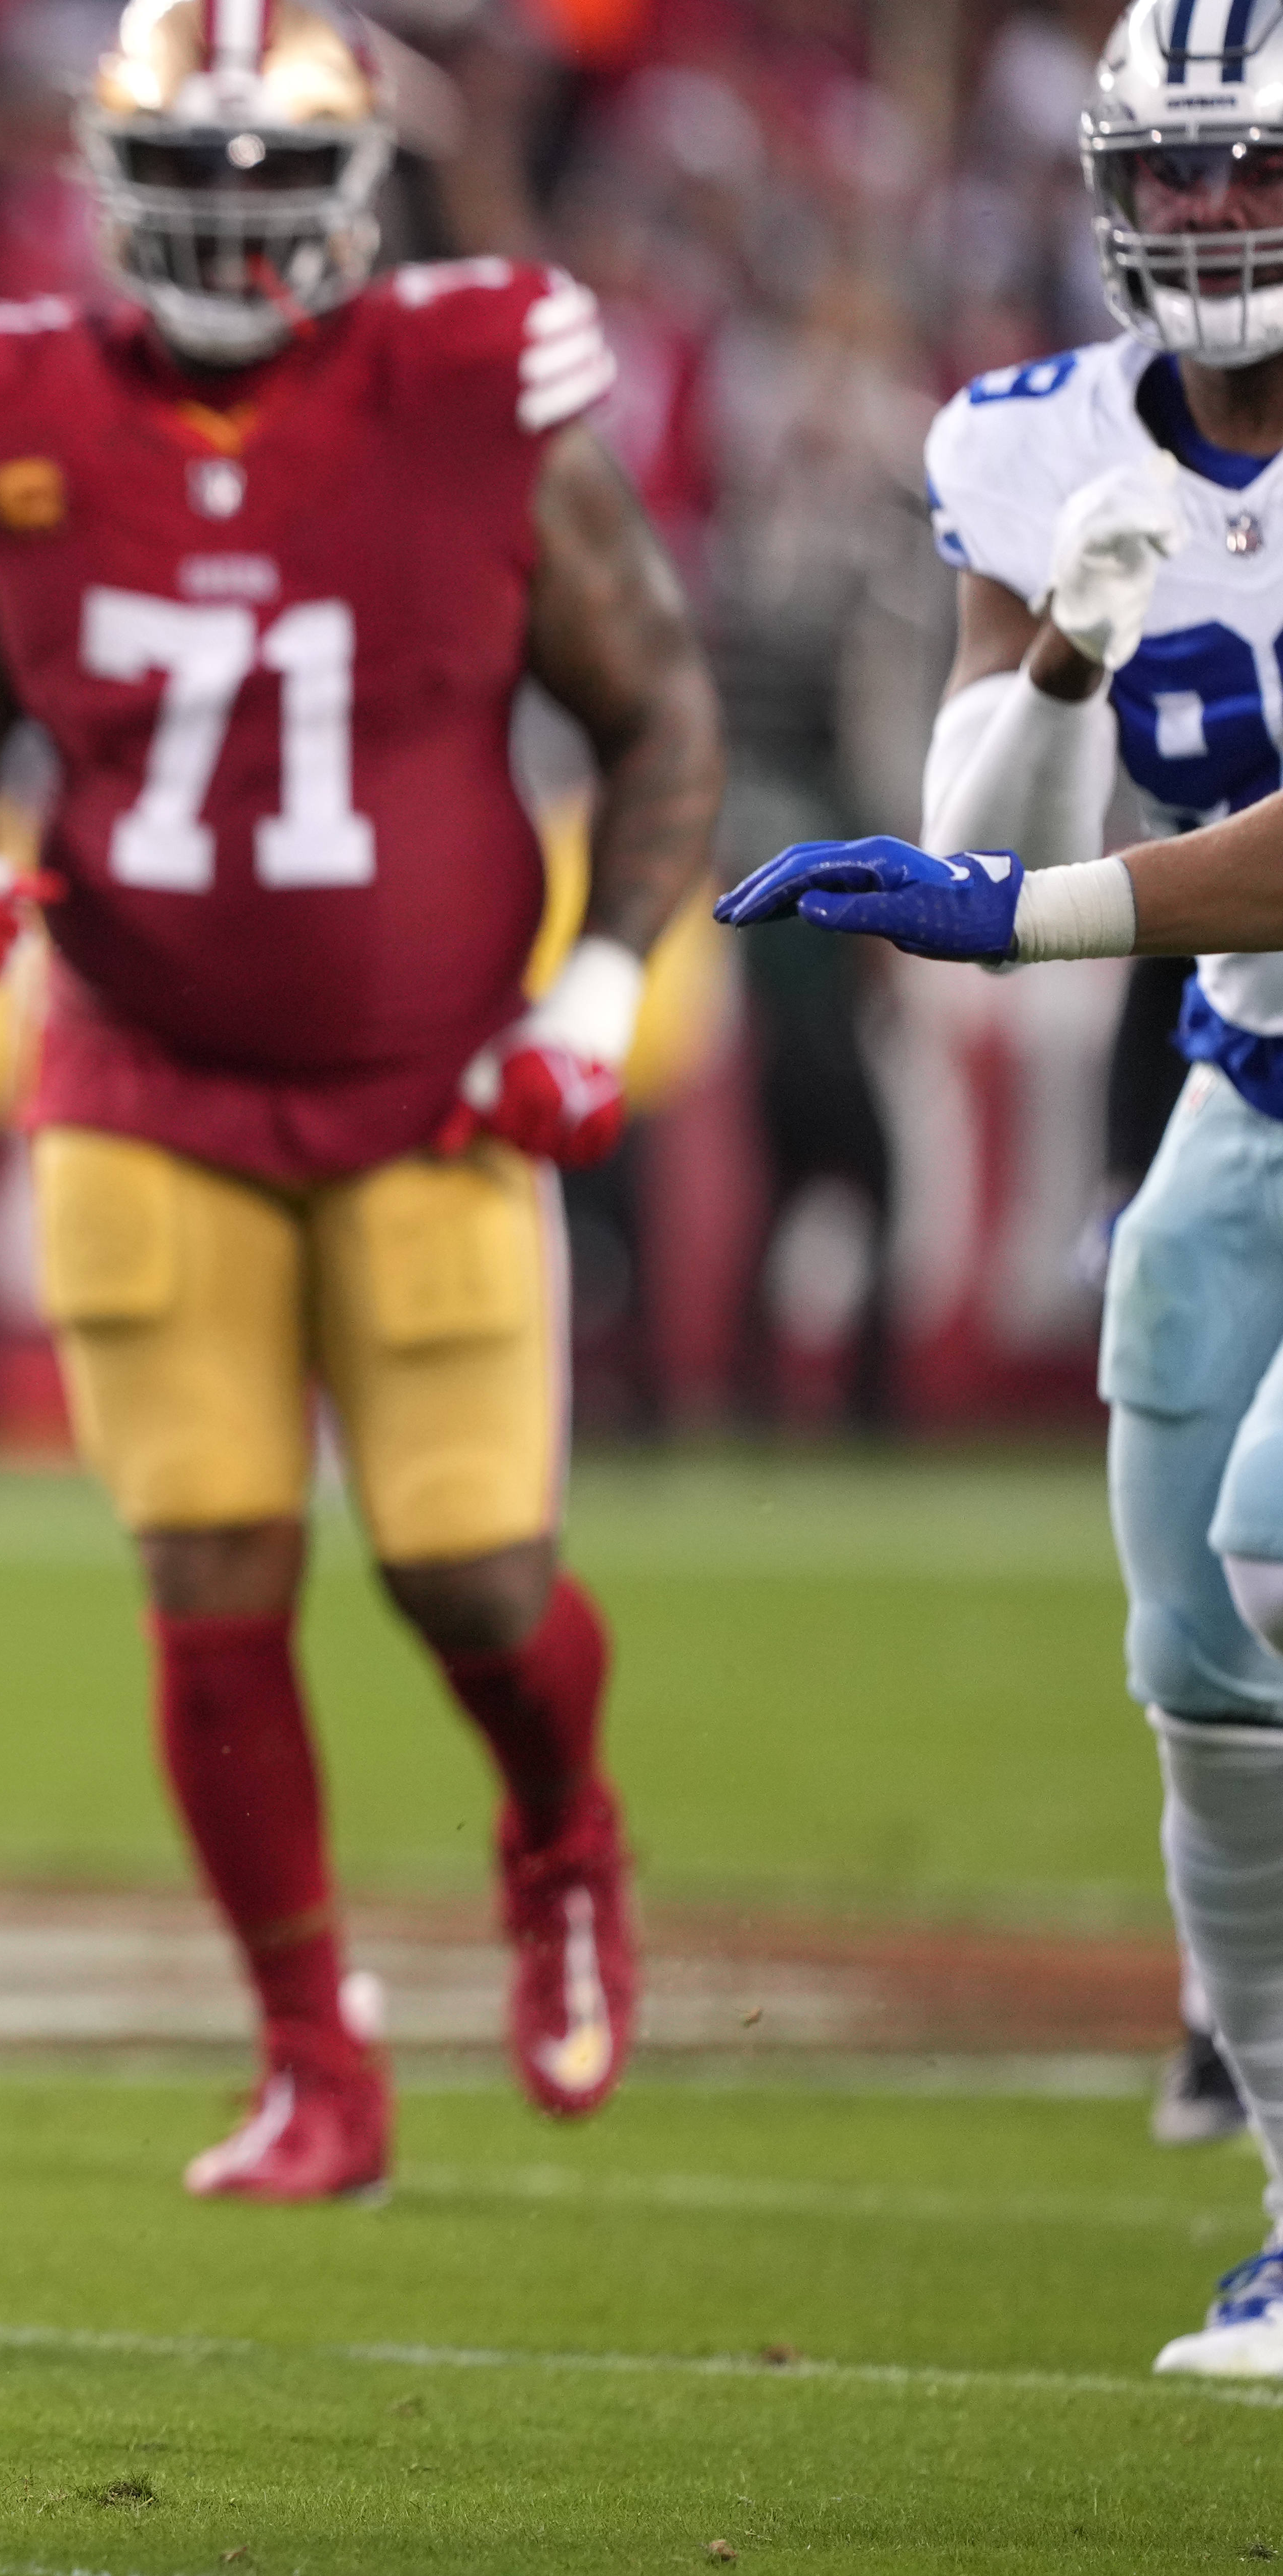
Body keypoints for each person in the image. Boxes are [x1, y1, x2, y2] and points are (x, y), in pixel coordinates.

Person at [0, 0, 720, 2201]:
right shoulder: (10, 406)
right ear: (111, 172)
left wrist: (603, 984)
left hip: (430, 1082)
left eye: (274, 179)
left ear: (355, 188)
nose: (233, 224)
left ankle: (560, 1830)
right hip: (146, 1080)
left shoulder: (473, 378)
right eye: (193, 176)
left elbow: (659, 713)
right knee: (209, 1572)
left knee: (470, 1573)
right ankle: (308, 2048)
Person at [716, 0, 1283, 2380]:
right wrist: (1062, 647)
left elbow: (1031, 908)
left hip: (1221, 1017)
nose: (1202, 220)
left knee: (1272, 1539)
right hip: (1249, 1089)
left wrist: (1027, 918)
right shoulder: (1031, 441)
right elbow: (993, 826)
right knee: (1192, 1671)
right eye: (1164, 176)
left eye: (1241, 169)